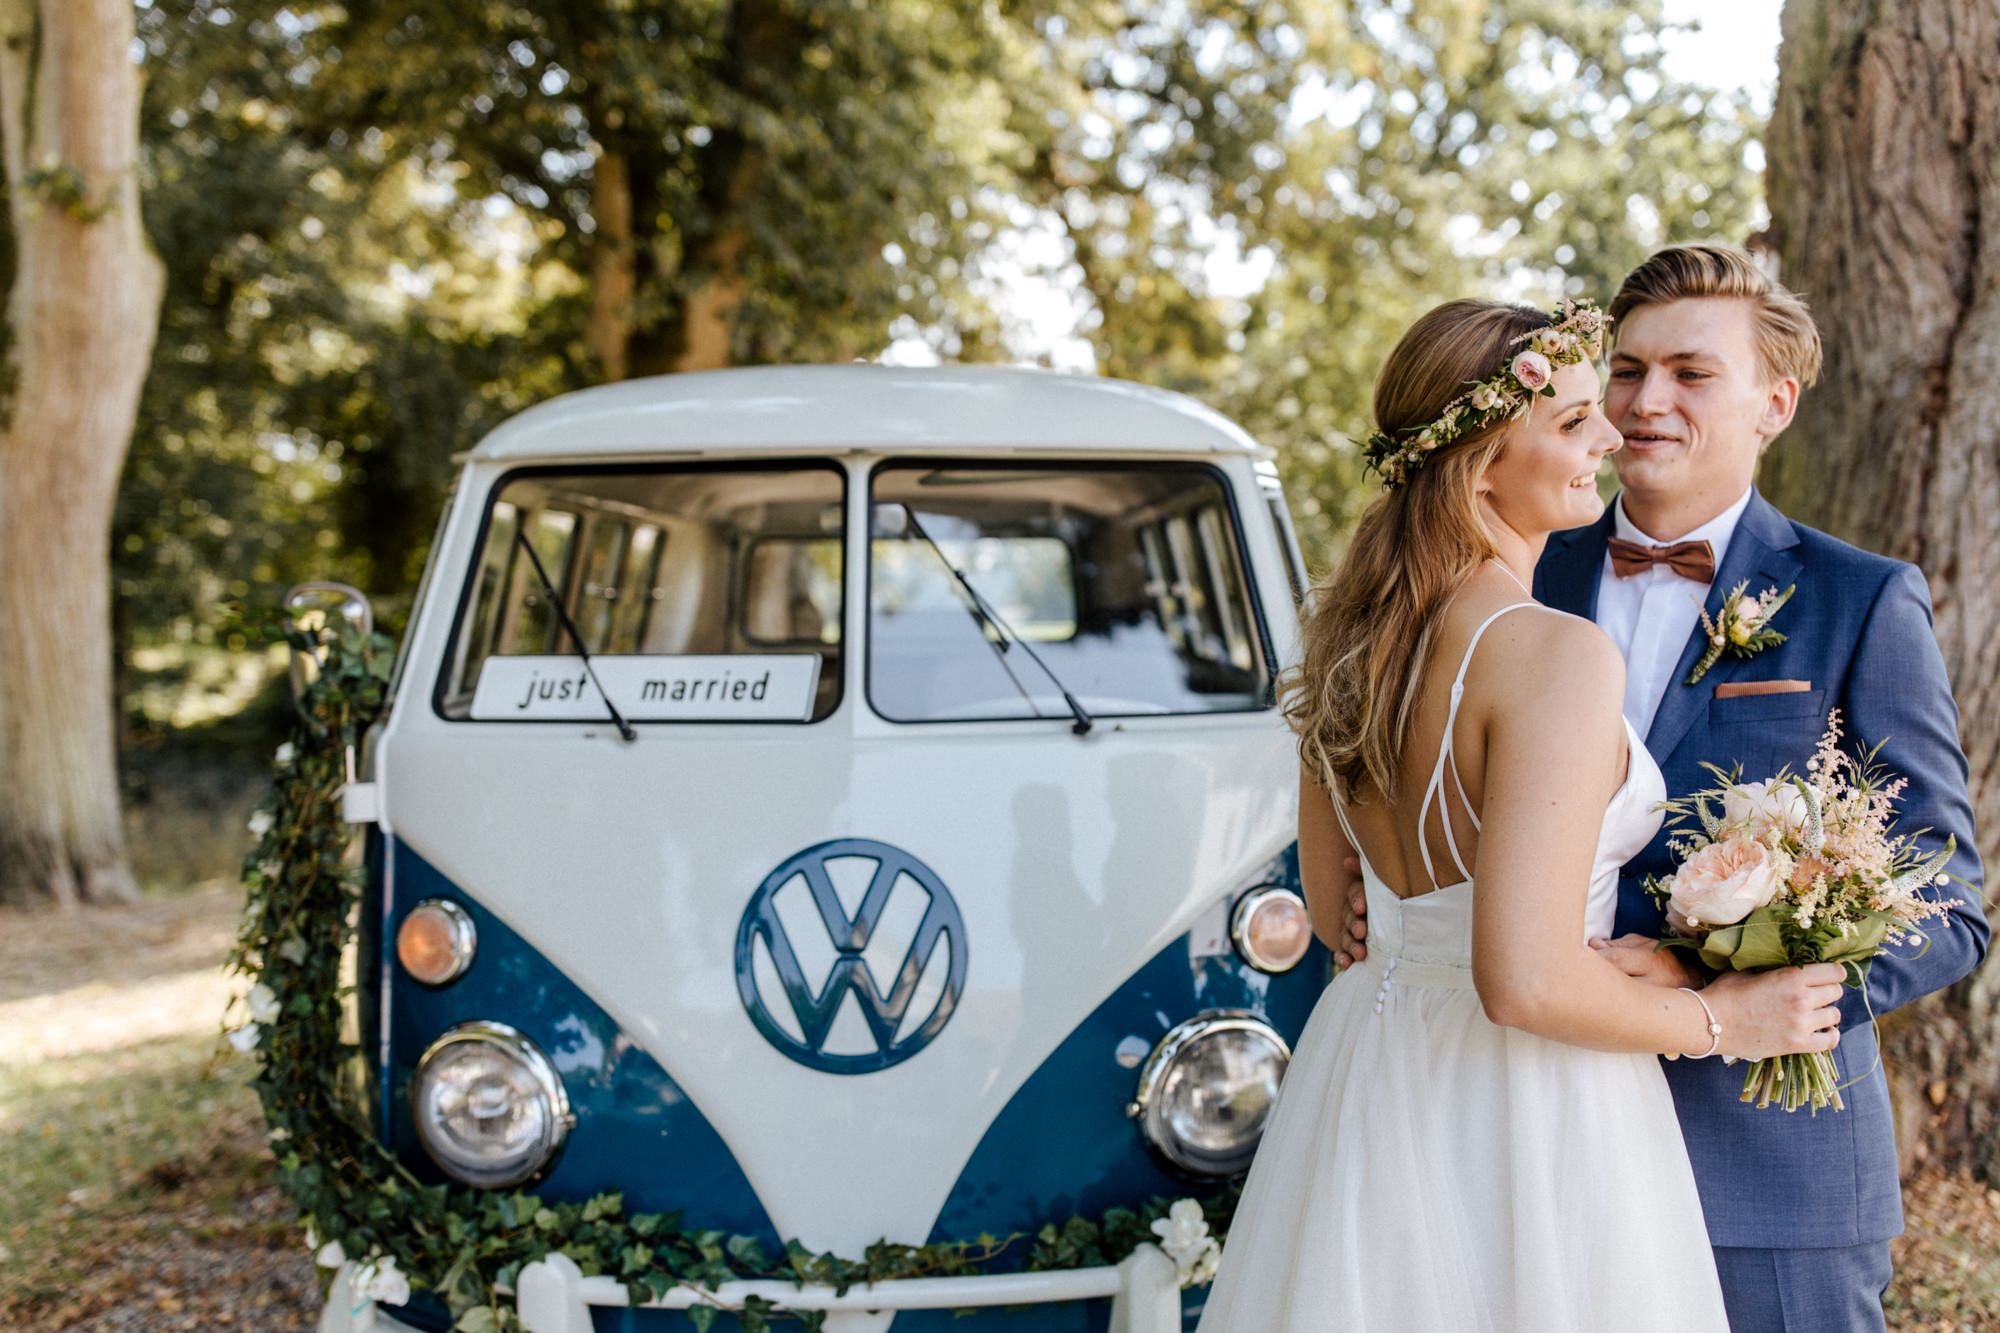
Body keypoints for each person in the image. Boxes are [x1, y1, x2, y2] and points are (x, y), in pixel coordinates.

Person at [1332, 245, 1990, 1331]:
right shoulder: (1506, 569)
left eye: (1690, 373)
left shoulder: (1859, 600)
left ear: (1772, 404)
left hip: (1761, 1166)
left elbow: (1945, 902)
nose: (1643, 403)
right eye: (1626, 371)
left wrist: (1703, 966)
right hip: (1520, 1132)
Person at [1196, 296, 1845, 1333]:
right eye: (1575, 418)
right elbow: (1525, 980)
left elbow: (1337, 914)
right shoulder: (1551, 652)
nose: (1612, 434)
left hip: (1367, 1078)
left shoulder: (1348, 644)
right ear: (1481, 462)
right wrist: (1731, 1019)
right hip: (1533, 1106)